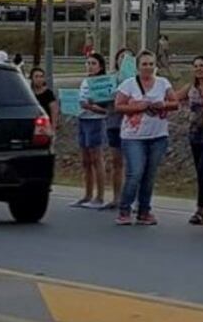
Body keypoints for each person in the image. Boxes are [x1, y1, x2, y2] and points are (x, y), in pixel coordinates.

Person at [113, 49, 178, 226]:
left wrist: (163, 104)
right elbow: (118, 106)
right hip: (133, 136)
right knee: (135, 172)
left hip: (158, 135)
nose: (148, 68)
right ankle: (124, 209)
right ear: (138, 67)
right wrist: (139, 106)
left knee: (149, 174)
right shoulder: (128, 84)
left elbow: (175, 103)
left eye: (151, 64)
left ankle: (144, 210)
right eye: (144, 64)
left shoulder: (163, 83)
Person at [175, 55, 203, 225]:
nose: (199, 68)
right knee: (200, 172)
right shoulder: (191, 87)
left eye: (202, 65)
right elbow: (173, 97)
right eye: (196, 66)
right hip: (194, 133)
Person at [74, 52, 109, 208]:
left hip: (95, 121)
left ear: (100, 66)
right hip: (82, 119)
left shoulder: (102, 83)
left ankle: (100, 196)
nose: (90, 66)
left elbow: (105, 109)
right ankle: (87, 194)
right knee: (85, 160)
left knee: (97, 158)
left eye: (93, 63)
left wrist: (90, 106)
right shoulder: (85, 81)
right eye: (88, 63)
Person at [104, 47, 134, 212]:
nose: (124, 60)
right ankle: (116, 197)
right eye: (121, 57)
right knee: (117, 162)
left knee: (134, 164)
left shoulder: (138, 81)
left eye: (128, 58)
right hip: (114, 124)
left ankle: (132, 200)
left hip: (133, 125)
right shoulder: (111, 78)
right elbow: (104, 99)